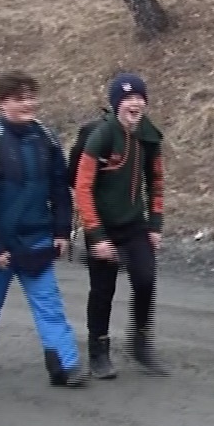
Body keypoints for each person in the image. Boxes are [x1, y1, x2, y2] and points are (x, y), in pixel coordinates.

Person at [0, 72, 87, 387]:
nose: (28, 104)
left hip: (36, 238)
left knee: (49, 304)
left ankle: (64, 363)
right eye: (19, 98)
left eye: (31, 96)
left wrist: (60, 232)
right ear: (3, 104)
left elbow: (59, 188)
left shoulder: (47, 138)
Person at [75, 72, 167, 379]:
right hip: (101, 227)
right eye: (127, 99)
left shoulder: (150, 136)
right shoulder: (101, 136)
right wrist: (96, 236)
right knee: (103, 289)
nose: (134, 103)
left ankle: (139, 342)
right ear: (116, 104)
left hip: (135, 225)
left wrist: (155, 224)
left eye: (139, 98)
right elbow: (83, 187)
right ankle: (98, 350)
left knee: (145, 280)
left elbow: (156, 181)